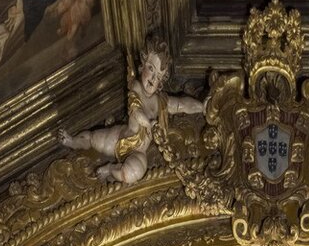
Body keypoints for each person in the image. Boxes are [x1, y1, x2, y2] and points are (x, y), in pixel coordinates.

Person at [58, 38, 204, 185]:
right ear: (142, 66)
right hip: (120, 136)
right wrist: (150, 124)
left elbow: (182, 104)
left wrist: (202, 107)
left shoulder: (161, 101)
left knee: (133, 173)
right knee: (92, 138)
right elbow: (136, 112)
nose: (153, 78)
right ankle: (72, 141)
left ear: (162, 81)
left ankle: (110, 169)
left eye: (158, 76)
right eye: (151, 69)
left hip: (139, 151)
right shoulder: (136, 87)